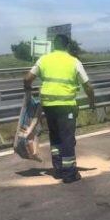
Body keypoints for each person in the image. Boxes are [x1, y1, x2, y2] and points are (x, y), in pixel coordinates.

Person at [23, 34, 95, 183]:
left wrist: (28, 91)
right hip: (66, 106)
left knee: (55, 138)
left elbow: (27, 78)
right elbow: (87, 86)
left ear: (54, 45)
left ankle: (58, 170)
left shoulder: (44, 59)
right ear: (67, 46)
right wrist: (92, 101)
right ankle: (69, 174)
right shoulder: (74, 61)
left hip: (49, 107)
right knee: (67, 139)